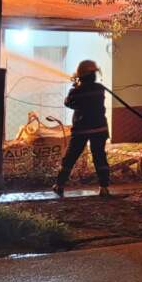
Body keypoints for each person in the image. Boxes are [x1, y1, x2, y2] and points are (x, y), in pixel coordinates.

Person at [53, 60, 111, 198]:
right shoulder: (99, 88)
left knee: (70, 157)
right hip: (99, 128)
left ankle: (59, 185)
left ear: (81, 75)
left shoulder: (76, 91)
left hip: (81, 129)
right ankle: (104, 187)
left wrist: (75, 86)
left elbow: (68, 103)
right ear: (93, 74)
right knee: (100, 157)